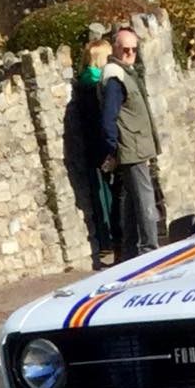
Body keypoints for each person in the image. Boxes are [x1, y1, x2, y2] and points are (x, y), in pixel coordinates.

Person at [100, 27, 161, 260]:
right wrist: (114, 147)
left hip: (135, 145)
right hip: (131, 148)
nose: (129, 53)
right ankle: (149, 250)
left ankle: (128, 252)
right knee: (145, 199)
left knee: (131, 202)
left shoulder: (126, 72)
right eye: (125, 49)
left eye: (134, 50)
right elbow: (108, 118)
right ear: (115, 49)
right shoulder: (115, 77)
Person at [76, 38, 116, 265]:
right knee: (104, 193)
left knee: (101, 192)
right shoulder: (93, 84)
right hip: (99, 146)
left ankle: (106, 237)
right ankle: (108, 238)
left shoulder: (85, 82)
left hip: (91, 145)